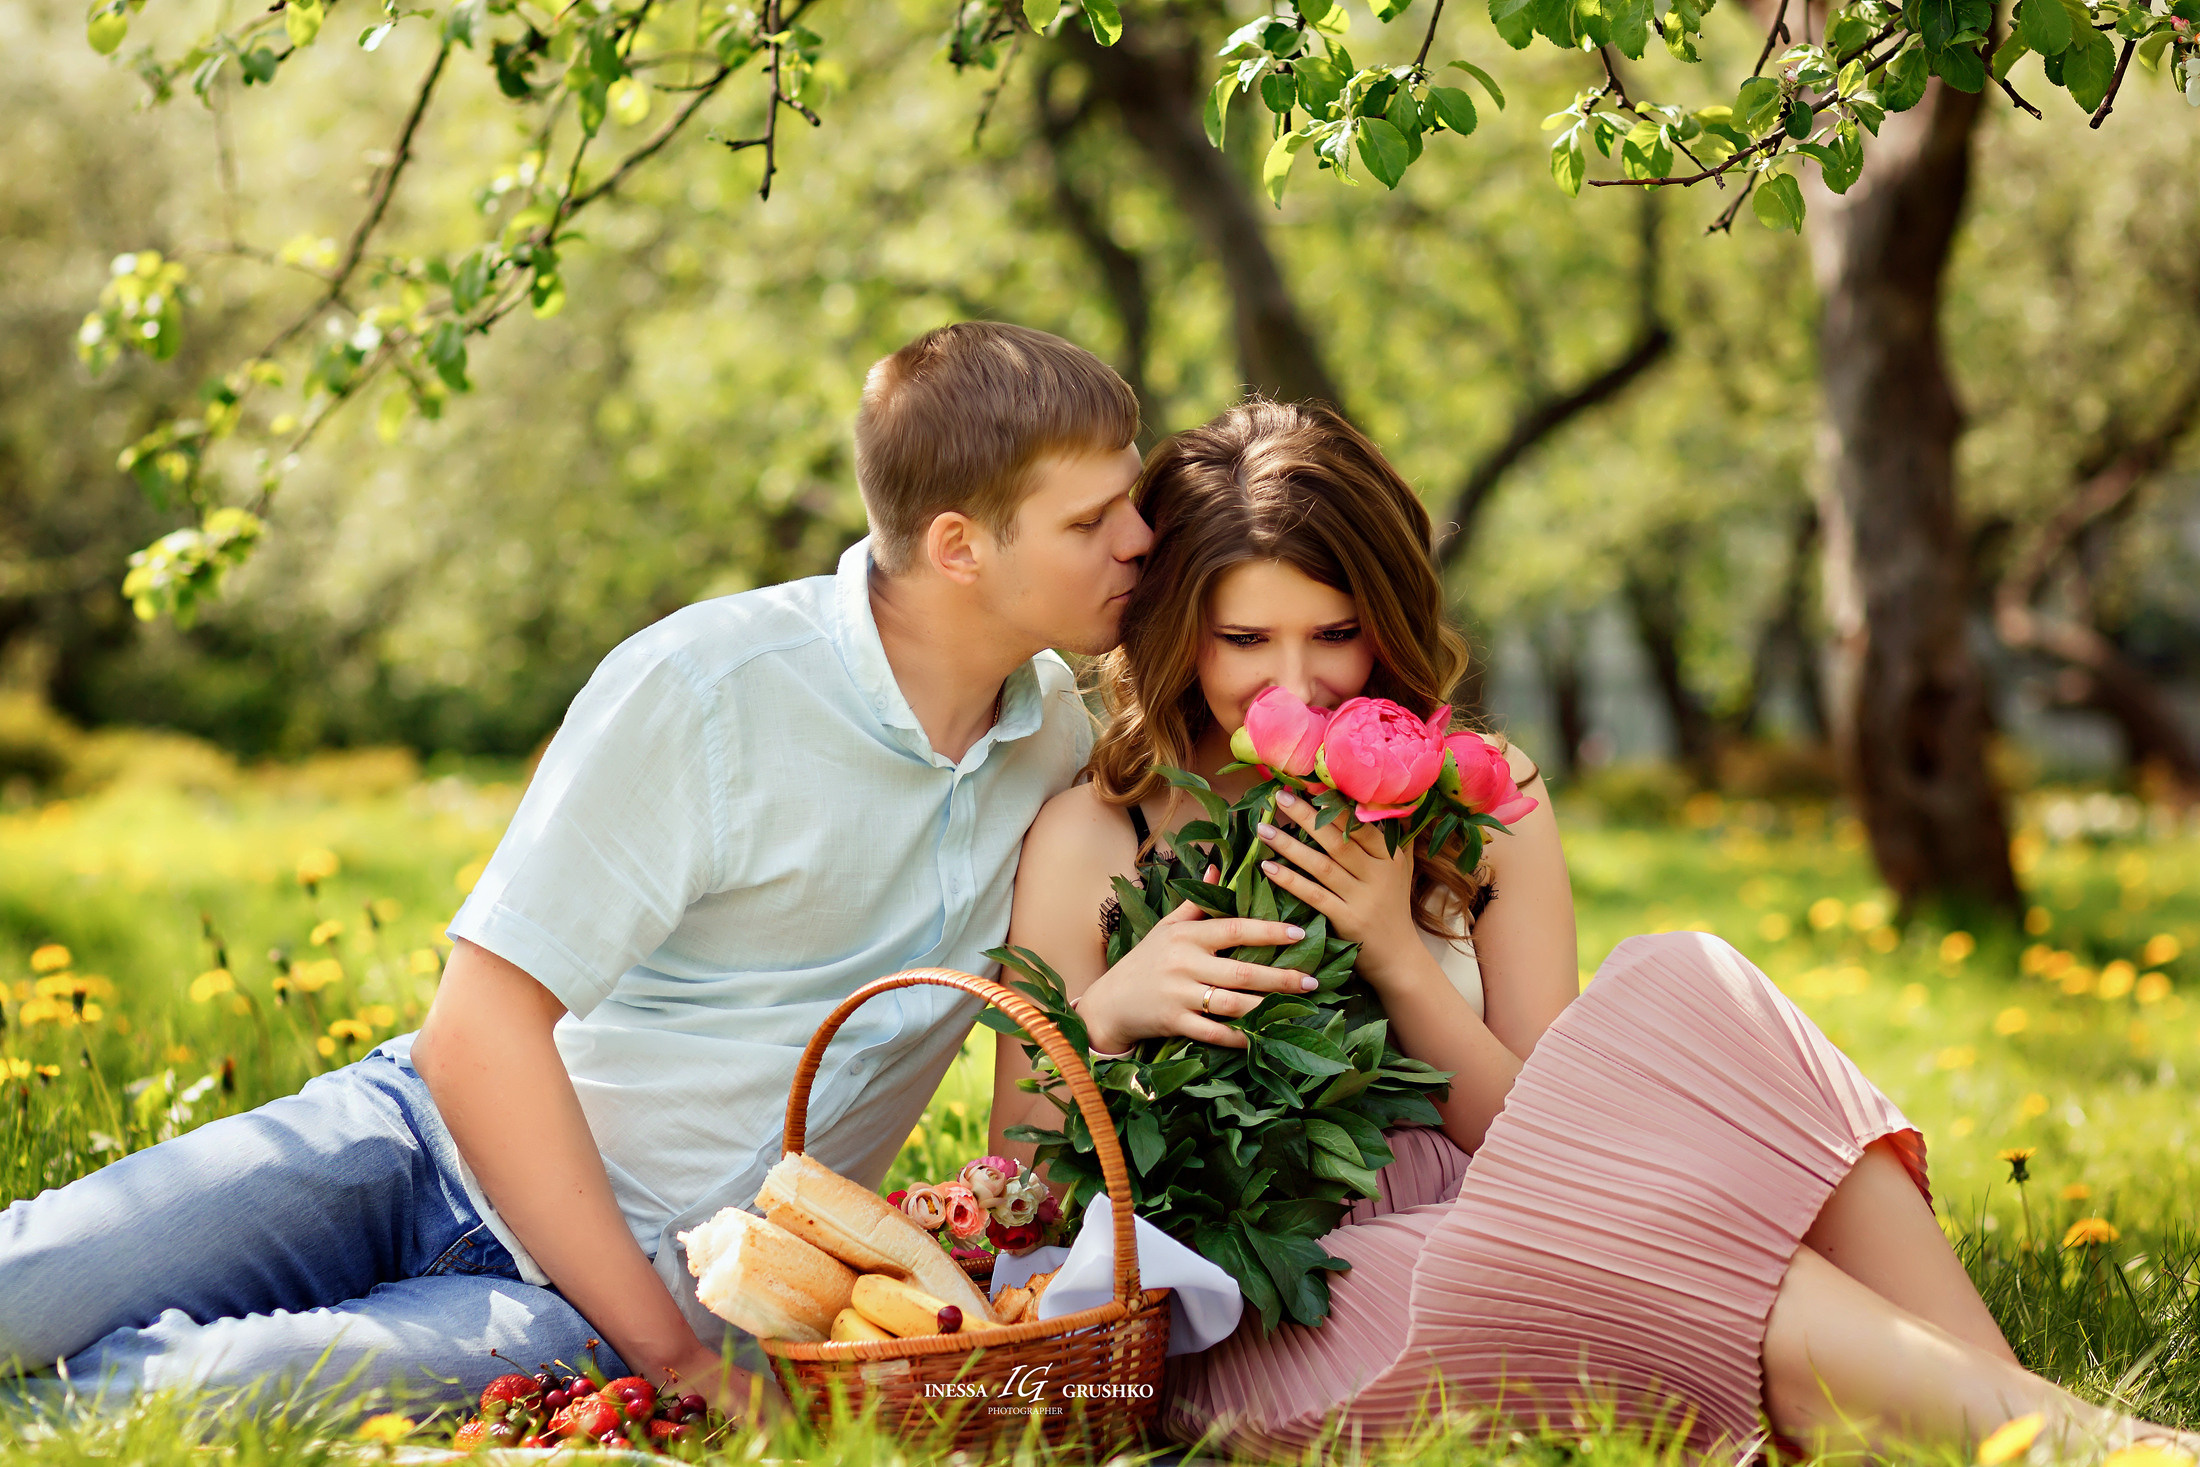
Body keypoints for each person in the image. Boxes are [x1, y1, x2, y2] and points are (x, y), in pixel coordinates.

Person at [0, 323, 1306, 1419]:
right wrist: (679, 1364)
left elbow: (1048, 1048)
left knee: (195, 1389)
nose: (1144, 537)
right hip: (420, 1139)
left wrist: (666, 1336)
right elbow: (477, 1028)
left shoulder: (1052, 741)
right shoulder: (707, 687)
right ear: (962, 545)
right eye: (1096, 517)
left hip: (609, 1290)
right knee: (27, 1285)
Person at [991, 398, 2200, 1463]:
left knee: (1685, 983)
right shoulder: (1099, 842)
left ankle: (2016, 1415)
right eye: (1244, 641)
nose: (1296, 689)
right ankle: (2064, 1442)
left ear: (1388, 622)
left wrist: (1397, 957)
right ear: (1172, 631)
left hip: (1523, 1201)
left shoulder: (1476, 793)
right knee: (1656, 1248)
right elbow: (1018, 1200)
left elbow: (1548, 1128)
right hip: (1284, 1302)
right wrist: (1107, 1012)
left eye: (1335, 634)